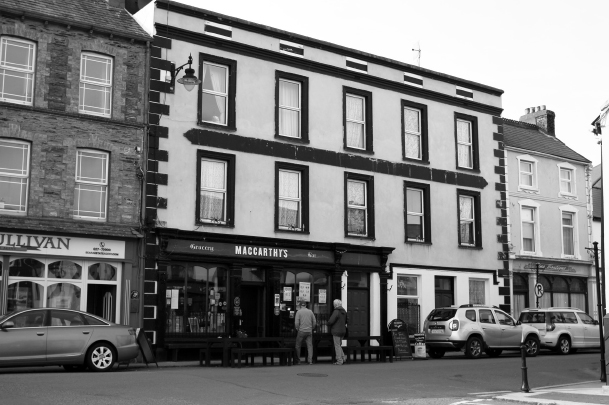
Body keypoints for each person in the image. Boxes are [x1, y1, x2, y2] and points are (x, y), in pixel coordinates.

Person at [294, 299, 316, 365]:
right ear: (306, 305)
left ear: (300, 305)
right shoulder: (310, 312)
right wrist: (312, 328)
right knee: (309, 346)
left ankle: (298, 360)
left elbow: (296, 323)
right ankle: (310, 360)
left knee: (298, 345)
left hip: (301, 331)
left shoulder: (299, 312)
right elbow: (314, 322)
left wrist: (297, 328)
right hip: (309, 331)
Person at [327, 299, 347, 365]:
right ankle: (343, 358)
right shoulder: (344, 311)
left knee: (337, 346)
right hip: (343, 330)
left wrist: (328, 323)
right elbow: (347, 320)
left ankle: (339, 360)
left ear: (335, 304)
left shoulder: (336, 311)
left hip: (336, 331)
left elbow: (331, 321)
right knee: (339, 345)